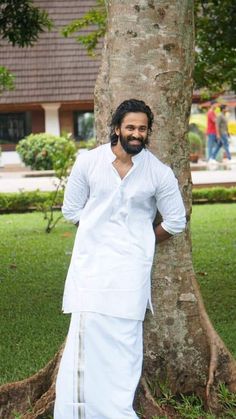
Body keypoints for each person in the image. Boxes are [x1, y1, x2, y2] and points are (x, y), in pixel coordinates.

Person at [54, 99, 186, 419]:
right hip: (92, 270)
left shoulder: (158, 171)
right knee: (84, 346)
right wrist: (99, 232)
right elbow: (71, 210)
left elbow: (176, 220)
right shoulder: (89, 162)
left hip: (130, 272)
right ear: (117, 128)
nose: (136, 133)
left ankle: (117, 412)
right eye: (131, 127)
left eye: (142, 128)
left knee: (124, 348)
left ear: (148, 132)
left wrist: (141, 239)